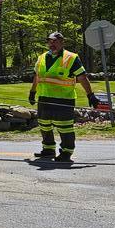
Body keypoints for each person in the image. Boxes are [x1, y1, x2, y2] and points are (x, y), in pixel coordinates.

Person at [28, 31, 99, 162]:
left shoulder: (71, 58)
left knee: (64, 126)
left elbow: (82, 78)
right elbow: (37, 76)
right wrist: (32, 92)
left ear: (62, 42)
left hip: (64, 99)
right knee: (44, 124)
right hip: (44, 97)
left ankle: (66, 152)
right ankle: (48, 149)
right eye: (49, 41)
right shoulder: (41, 58)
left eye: (54, 41)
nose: (51, 44)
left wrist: (91, 95)